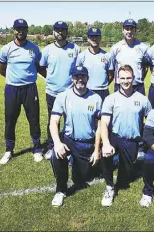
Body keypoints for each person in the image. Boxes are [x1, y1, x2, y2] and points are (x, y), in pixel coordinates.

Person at [49, 66, 102, 207]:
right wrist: (57, 143)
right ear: (72, 78)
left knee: (83, 178)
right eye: (76, 76)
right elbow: (54, 121)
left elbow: (99, 128)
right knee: (56, 154)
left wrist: (97, 150)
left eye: (83, 76)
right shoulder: (63, 96)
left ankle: (80, 161)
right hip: (69, 140)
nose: (80, 79)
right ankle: (60, 190)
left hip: (87, 144)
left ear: (87, 78)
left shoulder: (96, 98)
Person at [100, 64, 152, 207]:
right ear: (117, 79)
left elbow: (150, 122)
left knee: (124, 179)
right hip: (115, 137)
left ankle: (131, 159)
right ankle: (109, 187)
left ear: (133, 78)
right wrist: (106, 143)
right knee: (105, 155)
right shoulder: (111, 99)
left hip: (132, 141)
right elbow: (104, 123)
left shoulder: (142, 99)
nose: (125, 81)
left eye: (128, 78)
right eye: (122, 78)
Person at [0, 19, 43, 164]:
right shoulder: (6, 49)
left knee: (34, 119)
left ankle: (37, 148)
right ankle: (9, 150)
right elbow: (1, 69)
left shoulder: (34, 49)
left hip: (30, 88)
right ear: (13, 30)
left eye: (23, 29)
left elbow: (38, 66)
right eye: (18, 29)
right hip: (12, 88)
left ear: (27, 30)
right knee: (10, 120)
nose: (20, 31)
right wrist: (15, 79)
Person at [39, 21, 81, 160]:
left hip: (70, 93)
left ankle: (70, 147)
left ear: (66, 32)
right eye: (57, 30)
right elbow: (41, 67)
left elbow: (79, 70)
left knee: (71, 120)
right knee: (53, 120)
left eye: (63, 30)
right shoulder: (47, 50)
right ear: (53, 32)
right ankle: (51, 146)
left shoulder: (75, 49)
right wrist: (50, 79)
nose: (60, 33)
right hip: (52, 92)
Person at [109, 19, 149, 95]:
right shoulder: (115, 48)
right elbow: (112, 69)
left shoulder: (143, 48)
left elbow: (145, 68)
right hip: (120, 86)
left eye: (132, 29)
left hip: (138, 86)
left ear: (135, 31)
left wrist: (138, 79)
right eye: (127, 29)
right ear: (123, 30)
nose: (129, 32)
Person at [76, 27, 113, 101]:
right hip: (87, 90)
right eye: (92, 37)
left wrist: (102, 85)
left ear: (100, 38)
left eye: (97, 36)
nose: (94, 39)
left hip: (103, 91)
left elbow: (111, 75)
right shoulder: (81, 56)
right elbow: (78, 74)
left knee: (103, 112)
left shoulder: (107, 56)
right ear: (88, 38)